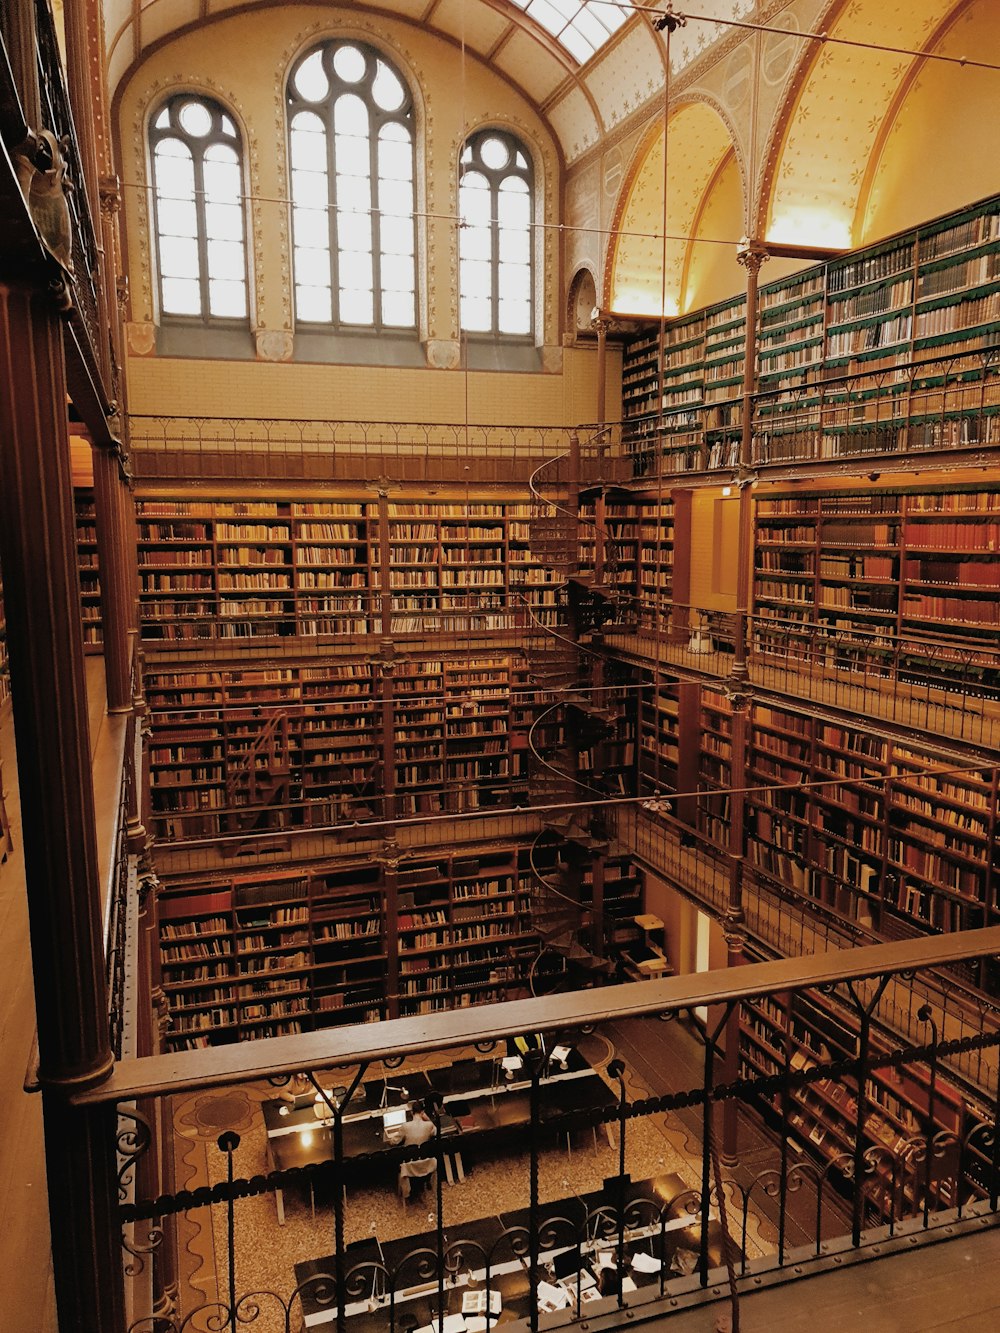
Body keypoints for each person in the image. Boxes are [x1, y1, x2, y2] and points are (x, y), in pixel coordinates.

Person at [388, 1100, 437, 1199]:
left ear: (411, 1112)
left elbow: (394, 1142)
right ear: (422, 1112)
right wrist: (427, 1119)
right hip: (425, 1163)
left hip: (409, 1165)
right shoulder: (429, 1125)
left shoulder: (405, 1126)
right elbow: (435, 1131)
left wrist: (390, 1138)